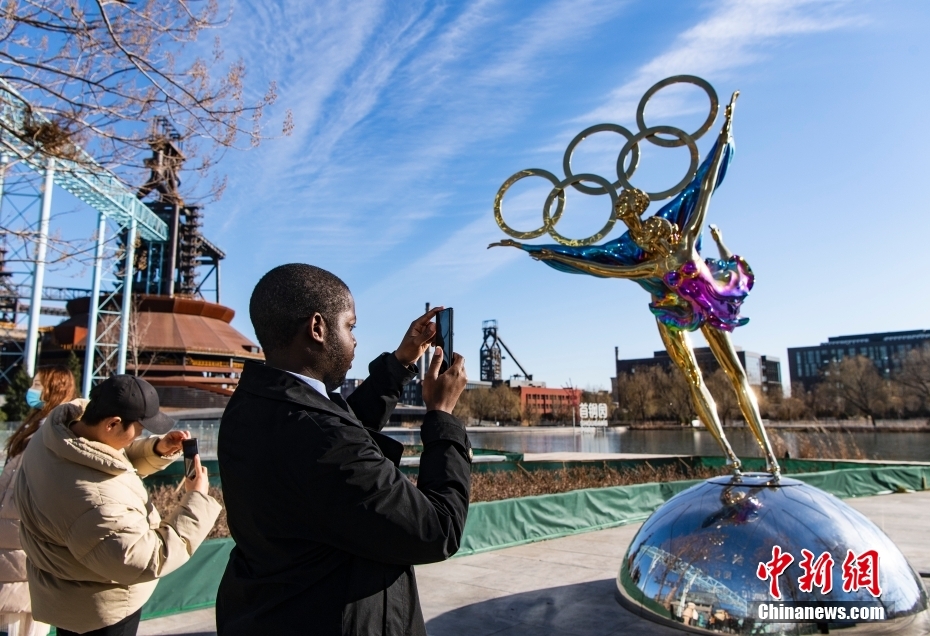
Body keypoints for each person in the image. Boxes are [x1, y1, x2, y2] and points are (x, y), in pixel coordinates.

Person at [490, 92, 780, 476]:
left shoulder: (678, 233)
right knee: (697, 377)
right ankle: (732, 455)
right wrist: (538, 249)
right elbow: (591, 263)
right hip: (670, 311)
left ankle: (766, 456)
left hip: (702, 301)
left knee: (732, 373)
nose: (644, 223)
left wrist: (725, 132)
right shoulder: (640, 251)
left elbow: (704, 185)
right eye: (628, 213)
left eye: (635, 212)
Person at [216, 264, 471, 635]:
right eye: (350, 326)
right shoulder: (321, 437)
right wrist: (442, 417)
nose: (354, 340)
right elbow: (438, 530)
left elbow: (343, 430)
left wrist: (401, 363)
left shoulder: (255, 405)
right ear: (318, 328)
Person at [14, 375, 222, 636]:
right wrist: (196, 500)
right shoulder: (96, 502)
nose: (143, 433)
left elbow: (107, 462)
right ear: (112, 423)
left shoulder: (57, 435)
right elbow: (147, 559)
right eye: (140, 428)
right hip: (101, 611)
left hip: (68, 597)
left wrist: (156, 449)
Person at [0, 366, 76, 636]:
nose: (31, 390)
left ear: (53, 389)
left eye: (37, 384)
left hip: (25, 547)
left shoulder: (56, 434)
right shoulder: (36, 428)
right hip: (11, 545)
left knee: (23, 623)